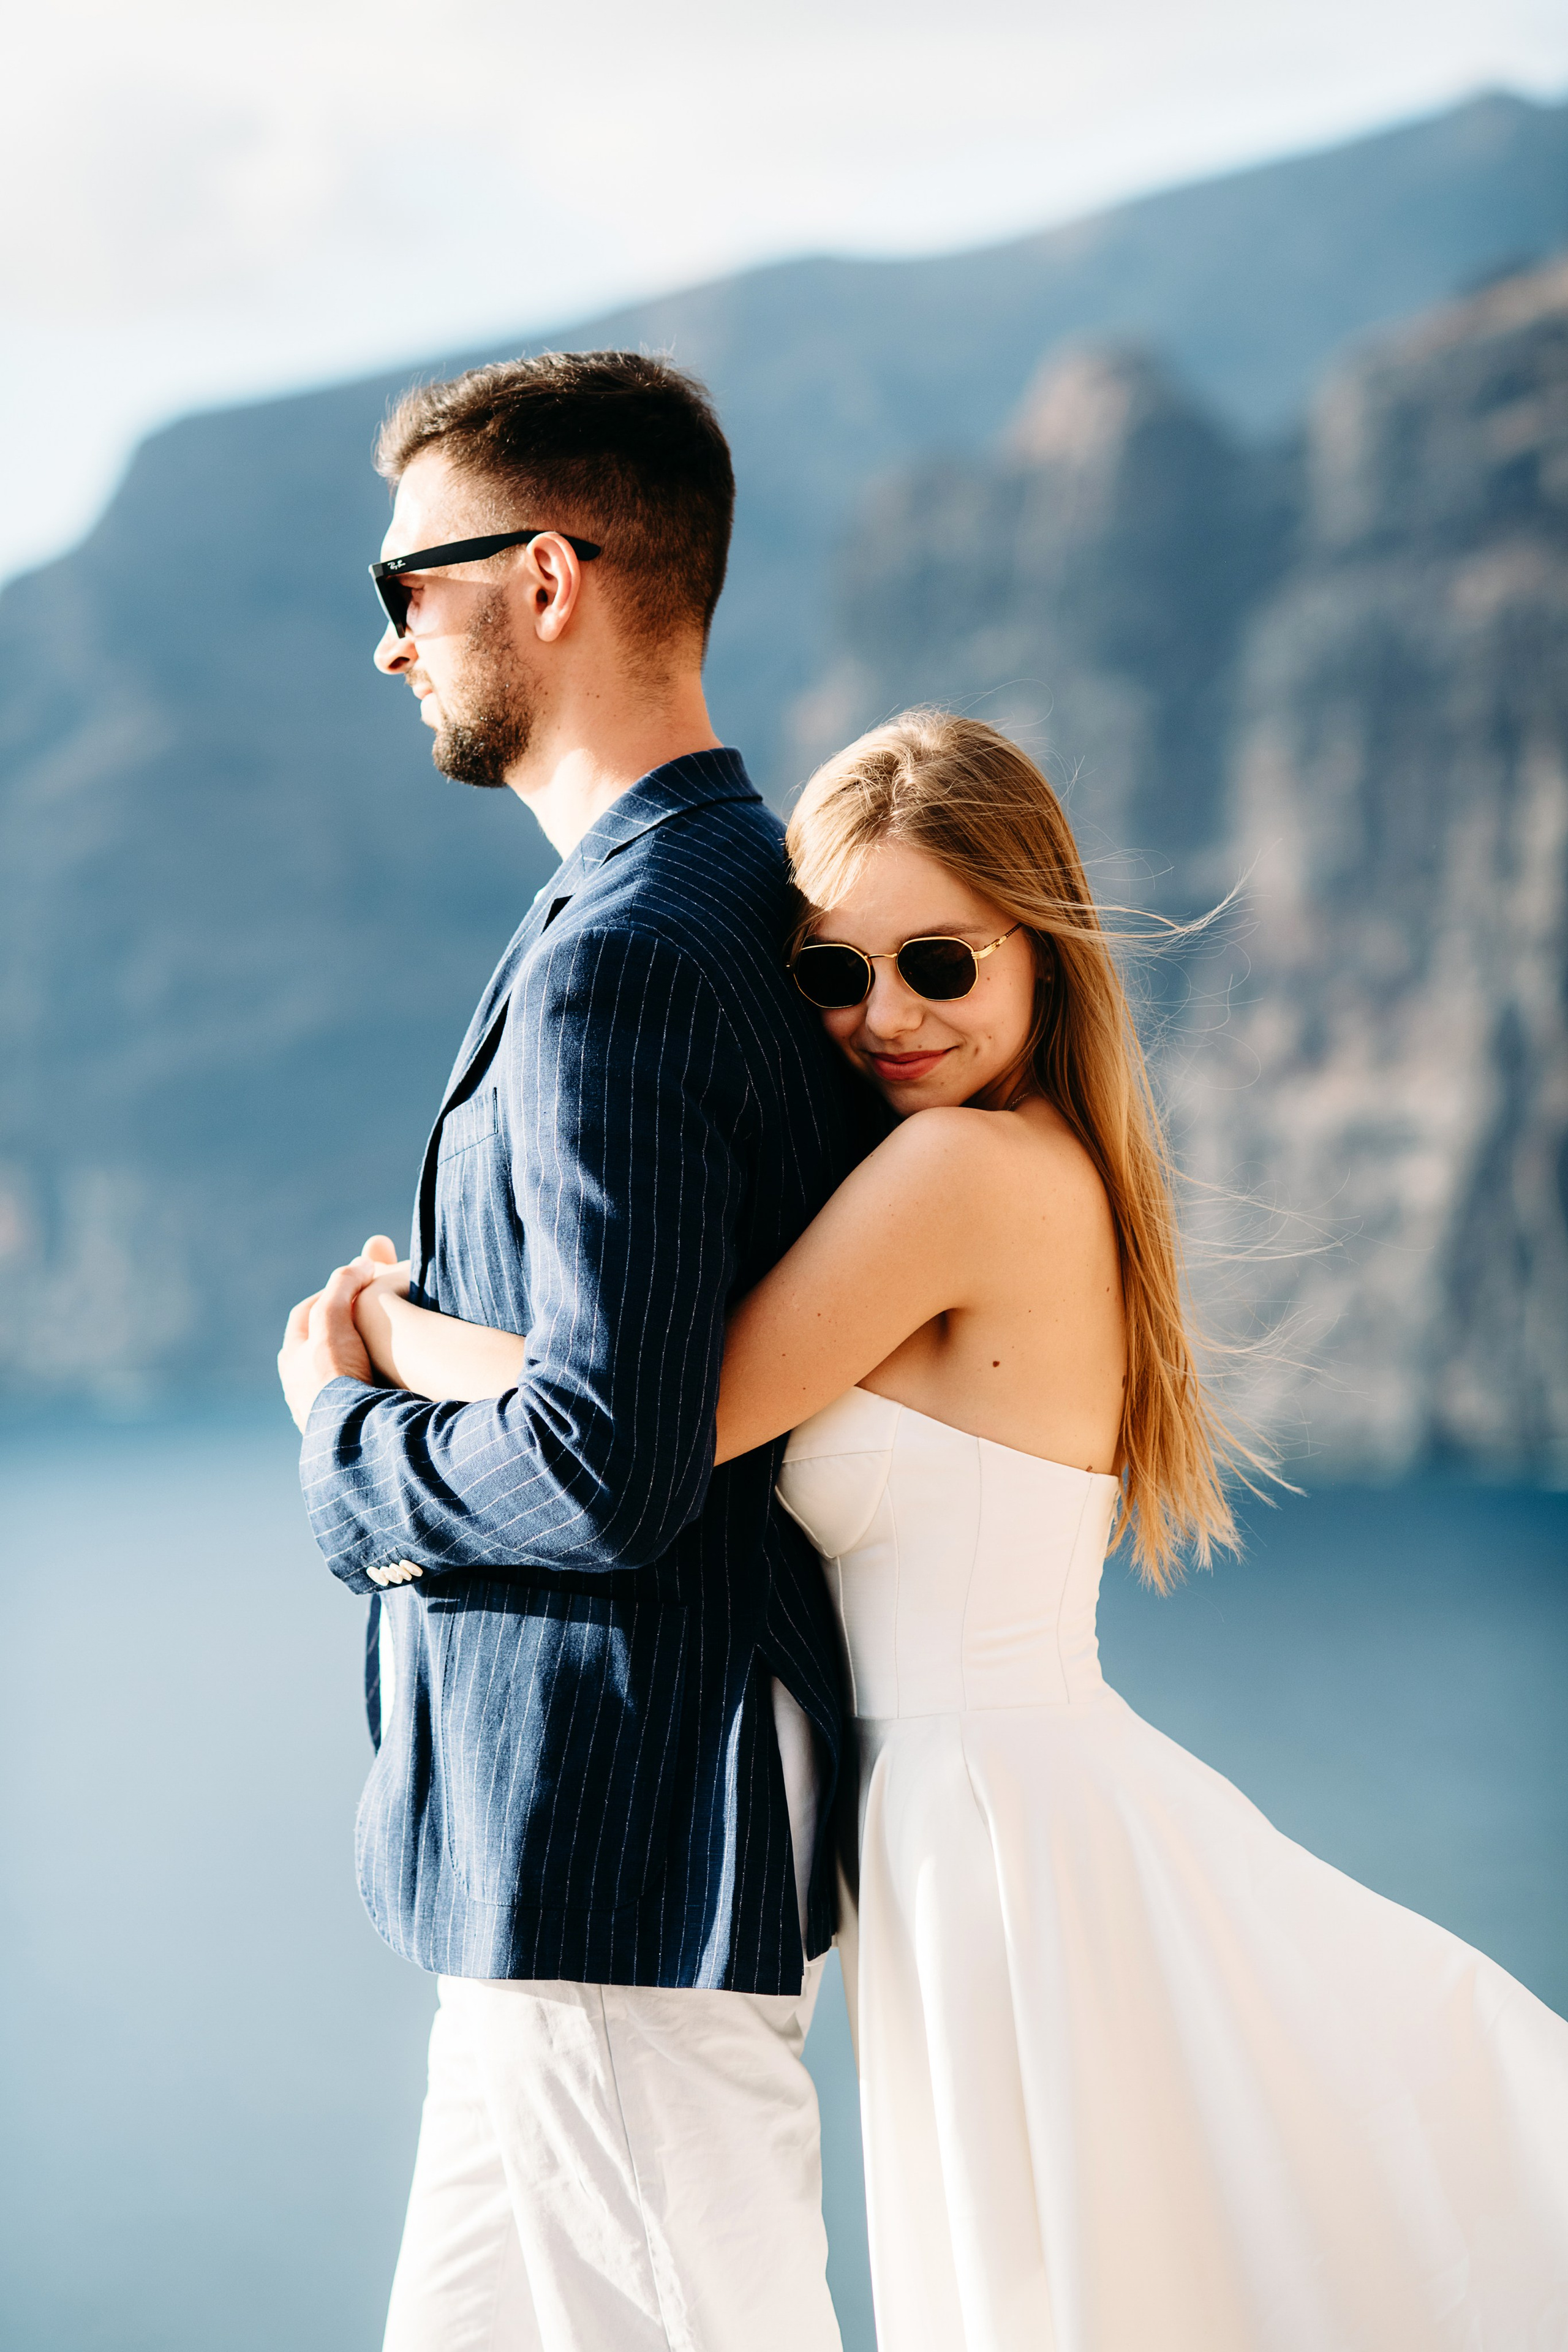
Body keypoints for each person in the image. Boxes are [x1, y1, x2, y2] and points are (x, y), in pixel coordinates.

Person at [350, 709, 1568, 2350]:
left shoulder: (963, 1178)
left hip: (1003, 1830)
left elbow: (655, 1421)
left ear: (1038, 948)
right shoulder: (1014, 1161)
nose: (886, 1018)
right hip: (976, 1813)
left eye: (937, 962)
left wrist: (390, 1345)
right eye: (833, 977)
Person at [277, 350, 878, 2352]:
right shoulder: (728, 890)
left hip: (616, 1829)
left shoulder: (625, 948)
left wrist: (343, 1435)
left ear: (547, 577)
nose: (388, 651)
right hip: (576, 1856)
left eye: (405, 593)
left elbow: (619, 1461)